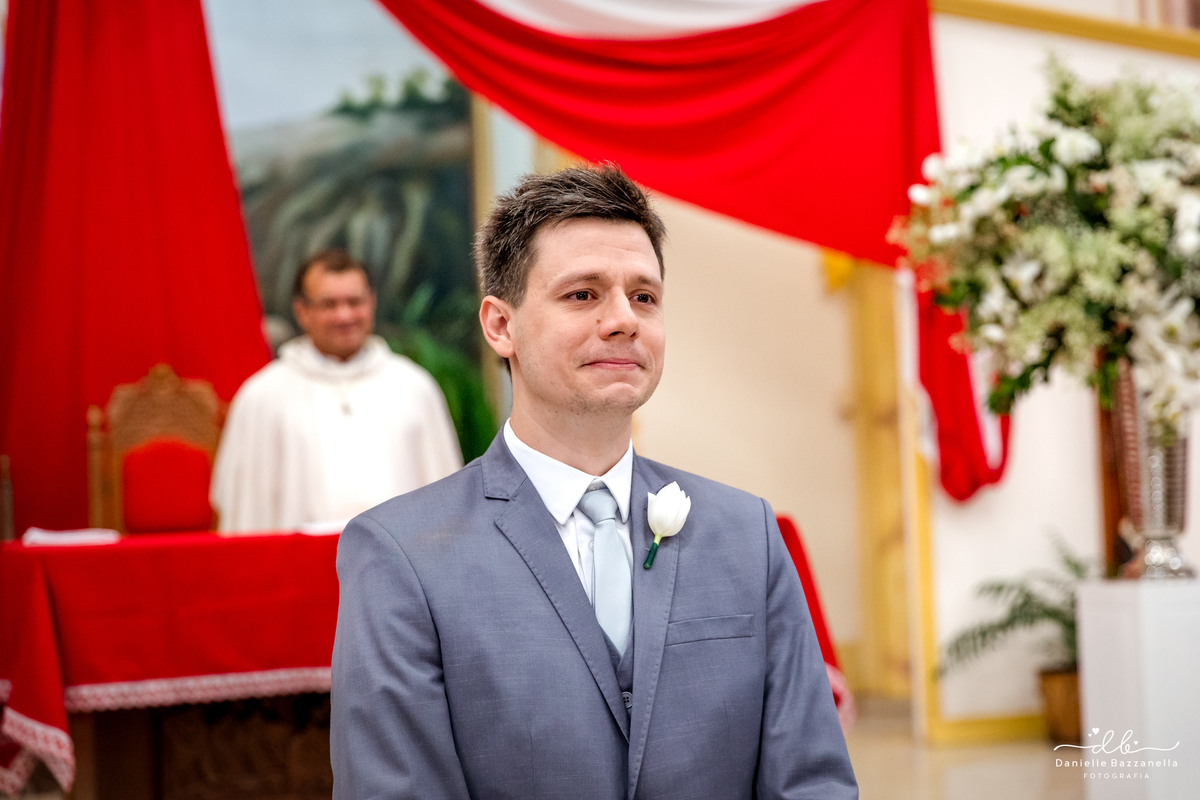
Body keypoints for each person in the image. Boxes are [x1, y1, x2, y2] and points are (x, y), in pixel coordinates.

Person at [330, 167, 857, 799]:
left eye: (644, 297)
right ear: (500, 326)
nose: (624, 320)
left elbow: (811, 783)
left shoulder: (748, 534)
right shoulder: (401, 556)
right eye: (583, 294)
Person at [210, 249, 462, 532]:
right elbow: (244, 509)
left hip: (398, 557)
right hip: (299, 557)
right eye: (329, 304)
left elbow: (446, 499)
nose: (344, 315)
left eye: (354, 302)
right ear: (302, 311)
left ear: (372, 302)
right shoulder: (262, 397)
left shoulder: (414, 387)